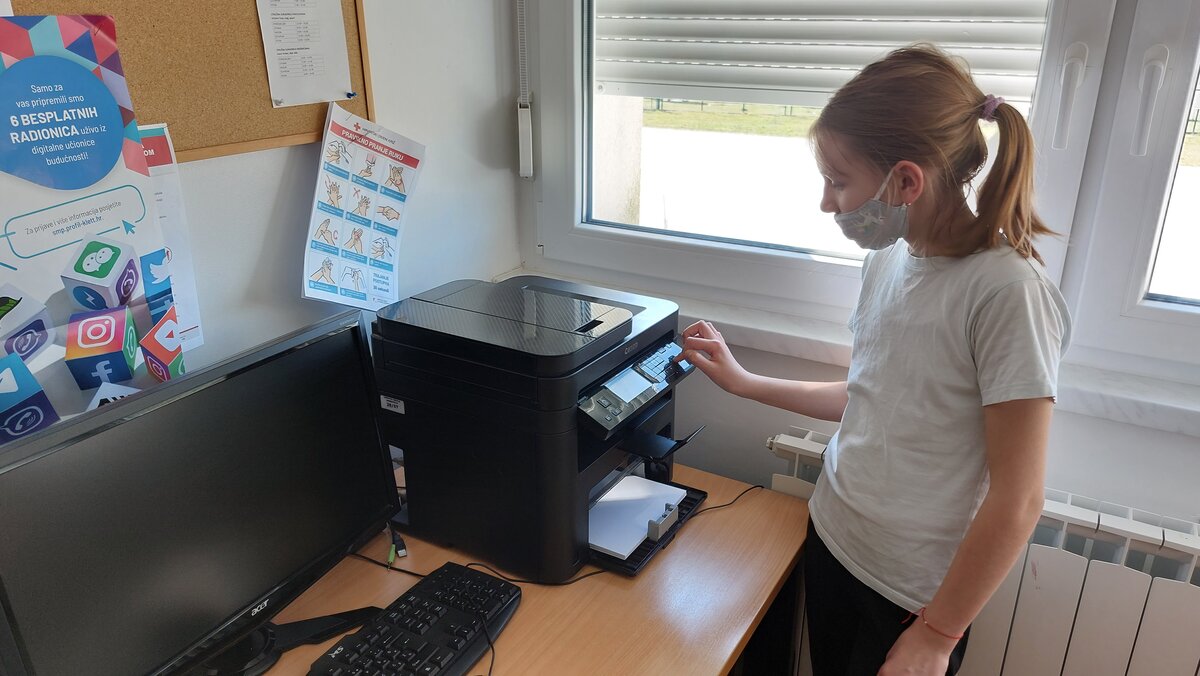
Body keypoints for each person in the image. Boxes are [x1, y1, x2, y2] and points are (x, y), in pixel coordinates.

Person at [675, 44, 1071, 676]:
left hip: (910, 596)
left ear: (906, 182)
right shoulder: (887, 260)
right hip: (836, 539)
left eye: (838, 181)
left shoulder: (1007, 294)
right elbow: (872, 394)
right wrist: (746, 383)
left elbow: (1018, 499)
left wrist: (937, 635)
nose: (827, 202)